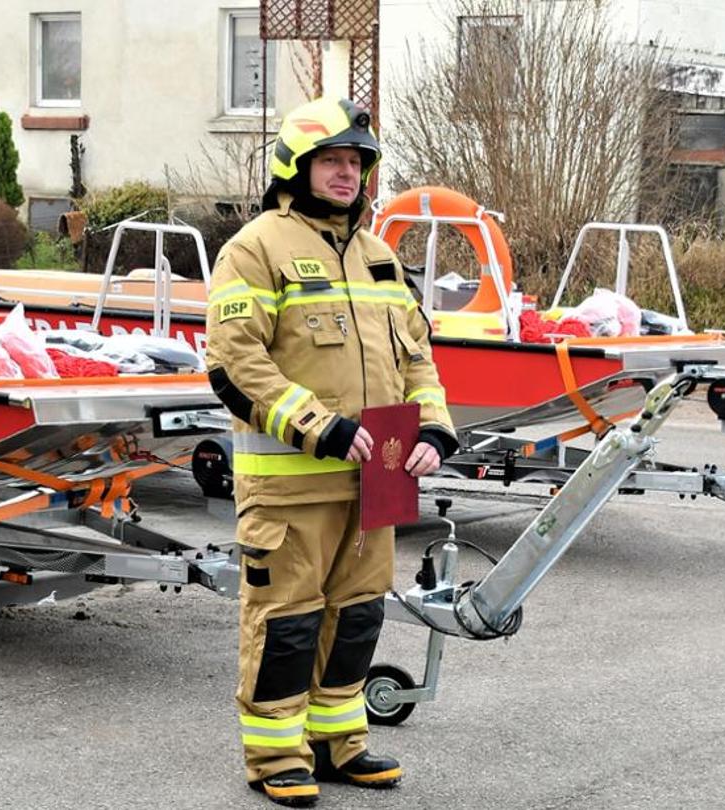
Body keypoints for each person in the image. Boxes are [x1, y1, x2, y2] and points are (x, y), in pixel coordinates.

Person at [206, 96, 458, 807]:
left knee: (357, 616)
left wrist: (434, 430)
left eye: (357, 162)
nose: (347, 174)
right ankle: (277, 755)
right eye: (333, 161)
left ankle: (338, 743)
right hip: (291, 488)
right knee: (286, 621)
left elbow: (418, 363)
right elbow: (235, 363)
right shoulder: (255, 248)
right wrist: (323, 426)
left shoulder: (381, 258)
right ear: (296, 167)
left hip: (376, 485)